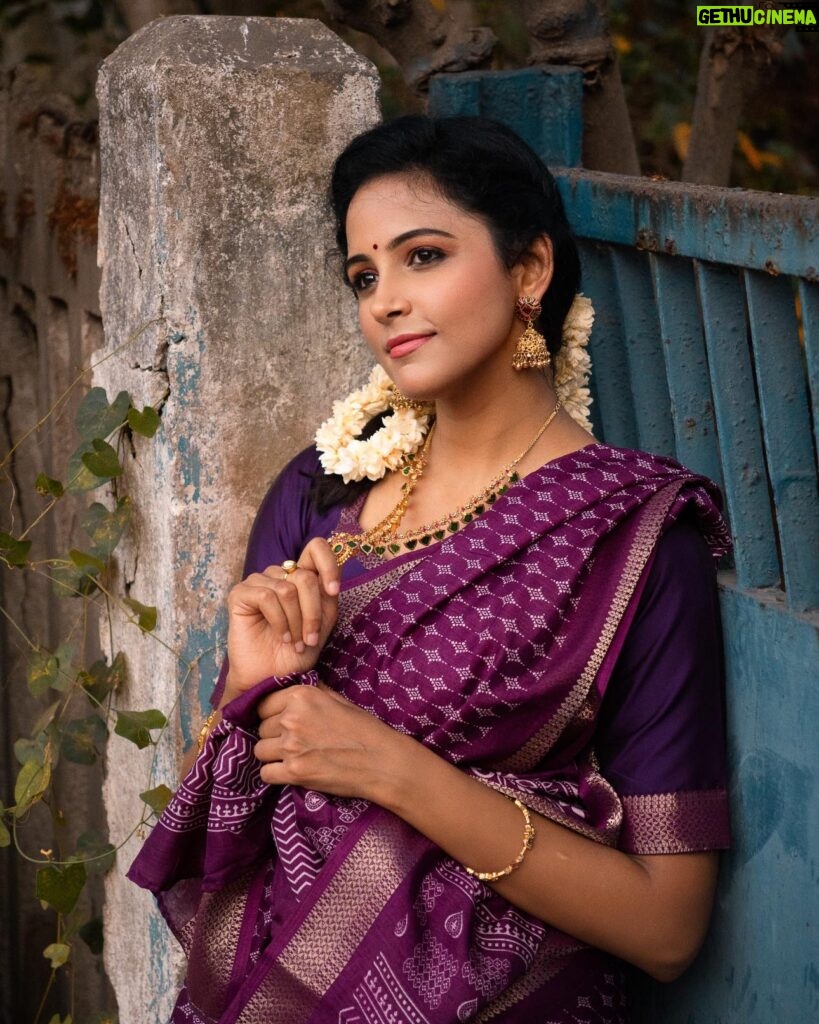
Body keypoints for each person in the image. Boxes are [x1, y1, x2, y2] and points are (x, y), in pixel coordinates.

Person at [128, 115, 732, 1023]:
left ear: (528, 271)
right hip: (279, 985)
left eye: (423, 257)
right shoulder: (320, 491)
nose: (384, 301)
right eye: (363, 276)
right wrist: (249, 690)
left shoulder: (636, 534)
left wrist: (390, 769)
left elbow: (665, 925)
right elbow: (219, 821)